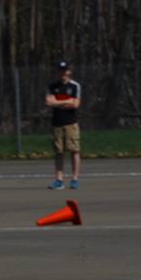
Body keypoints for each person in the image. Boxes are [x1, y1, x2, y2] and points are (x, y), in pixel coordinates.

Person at [46, 61, 82, 189]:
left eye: (65, 70)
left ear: (69, 72)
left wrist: (57, 101)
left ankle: (75, 179)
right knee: (59, 152)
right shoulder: (52, 86)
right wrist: (66, 101)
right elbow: (49, 102)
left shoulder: (74, 86)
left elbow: (75, 104)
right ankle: (59, 180)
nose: (63, 73)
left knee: (74, 151)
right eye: (60, 70)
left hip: (71, 123)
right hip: (57, 123)